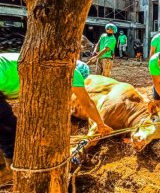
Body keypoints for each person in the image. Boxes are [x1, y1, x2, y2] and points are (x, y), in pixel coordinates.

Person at [0, 53, 112, 183]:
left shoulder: (49, 60)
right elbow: (87, 103)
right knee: (10, 130)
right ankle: (12, 172)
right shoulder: (72, 72)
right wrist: (100, 124)